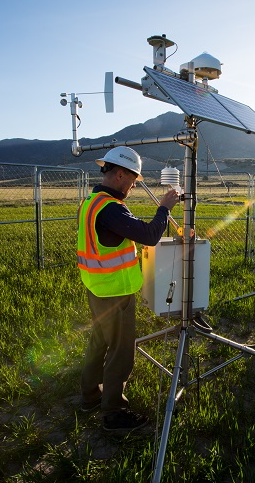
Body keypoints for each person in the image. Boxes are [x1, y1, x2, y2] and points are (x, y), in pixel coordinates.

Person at [76, 146, 179, 432]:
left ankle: (90, 396)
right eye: (133, 179)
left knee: (99, 342)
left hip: (96, 287)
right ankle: (113, 414)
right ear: (119, 174)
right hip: (115, 292)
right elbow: (148, 235)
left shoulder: (92, 202)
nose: (134, 186)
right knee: (121, 351)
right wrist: (164, 208)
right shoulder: (109, 208)